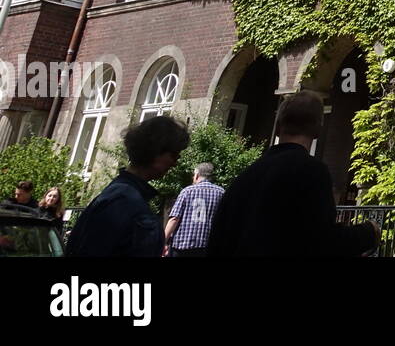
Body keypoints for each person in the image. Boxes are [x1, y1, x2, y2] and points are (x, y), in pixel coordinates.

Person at [206, 92, 378, 256]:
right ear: (318, 130)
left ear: (278, 127)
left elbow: (217, 239)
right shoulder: (312, 172)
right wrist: (368, 232)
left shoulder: (246, 175)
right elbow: (322, 242)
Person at [65, 116, 190, 257]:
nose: (175, 163)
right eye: (174, 156)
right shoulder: (124, 201)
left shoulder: (119, 194)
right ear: (156, 150)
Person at [164, 162, 224, 257]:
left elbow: (174, 219)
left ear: (197, 175)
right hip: (207, 246)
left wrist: (163, 242)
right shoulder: (221, 193)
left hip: (183, 246)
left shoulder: (187, 191)